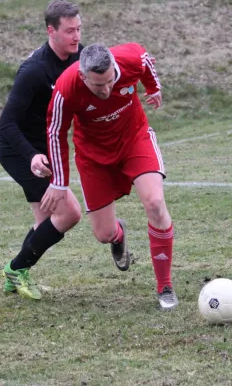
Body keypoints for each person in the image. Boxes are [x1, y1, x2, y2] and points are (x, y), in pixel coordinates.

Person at [41, 43, 178, 310]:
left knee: (155, 203)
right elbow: (55, 133)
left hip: (134, 139)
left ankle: (165, 286)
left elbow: (146, 63)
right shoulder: (65, 89)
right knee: (103, 234)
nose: (106, 90)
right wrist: (58, 182)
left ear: (115, 67)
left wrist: (154, 88)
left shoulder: (130, 59)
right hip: (94, 157)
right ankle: (118, 234)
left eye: (110, 82)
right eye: (97, 86)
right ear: (83, 77)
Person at [0, 0, 83, 300]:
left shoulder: (79, 58)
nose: (76, 36)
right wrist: (31, 155)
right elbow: (6, 124)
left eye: (79, 29)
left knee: (45, 222)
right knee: (70, 212)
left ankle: (15, 276)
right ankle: (15, 268)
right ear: (51, 31)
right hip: (18, 150)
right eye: (70, 31)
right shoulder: (33, 71)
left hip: (48, 150)